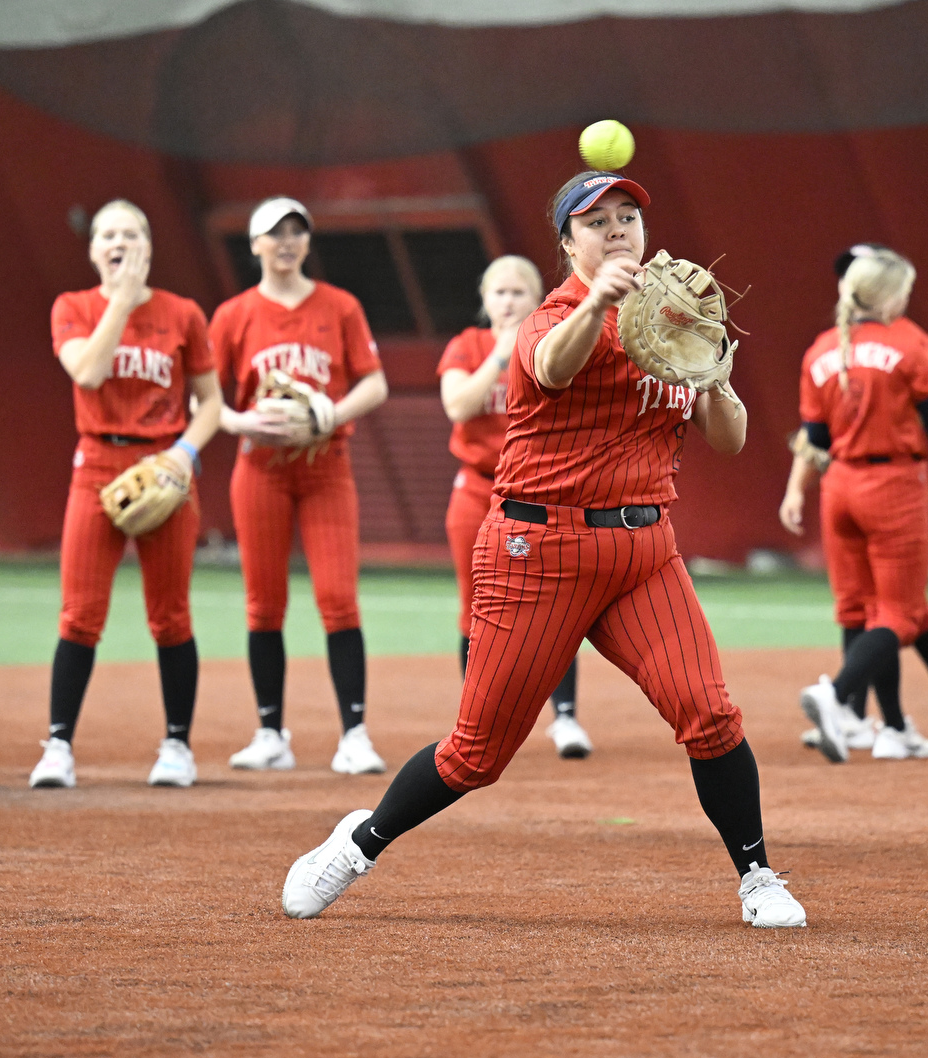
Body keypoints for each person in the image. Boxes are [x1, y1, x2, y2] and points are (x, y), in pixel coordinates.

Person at [280, 171, 807, 929]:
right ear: (568, 244)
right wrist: (598, 299)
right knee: (475, 756)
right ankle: (358, 843)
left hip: (643, 555)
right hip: (539, 550)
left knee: (710, 713)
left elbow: (730, 439)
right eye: (599, 221)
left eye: (630, 217)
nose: (619, 229)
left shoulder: (674, 321)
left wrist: (715, 371)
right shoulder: (553, 315)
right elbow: (554, 366)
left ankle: (758, 877)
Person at [30, 200, 223, 789]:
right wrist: (120, 299)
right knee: (80, 613)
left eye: (132, 233)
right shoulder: (74, 306)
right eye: (108, 235)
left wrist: (182, 454)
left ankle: (177, 746)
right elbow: (87, 373)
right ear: (93, 251)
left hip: (164, 462)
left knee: (170, 616)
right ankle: (58, 745)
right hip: (97, 463)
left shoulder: (183, 313)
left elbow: (210, 402)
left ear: (149, 246)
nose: (120, 242)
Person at [779, 245, 928, 763]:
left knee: (859, 610)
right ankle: (838, 696)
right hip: (891, 486)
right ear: (890, 296)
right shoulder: (909, 341)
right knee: (901, 612)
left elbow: (815, 437)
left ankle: (891, 728)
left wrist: (795, 487)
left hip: (839, 488)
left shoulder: (822, 349)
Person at [210, 197, 390, 776]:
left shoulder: (339, 306)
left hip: (325, 468)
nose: (286, 242)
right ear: (255, 244)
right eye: (274, 233)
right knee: (264, 605)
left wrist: (330, 415)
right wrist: (241, 421)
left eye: (296, 232)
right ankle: (270, 733)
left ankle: (355, 734)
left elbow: (375, 383)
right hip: (260, 469)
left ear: (307, 243)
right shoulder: (234, 314)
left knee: (338, 599)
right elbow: (205, 399)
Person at [439, 255, 592, 759]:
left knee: (558, 605)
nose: (508, 302)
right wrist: (499, 355)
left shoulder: (552, 342)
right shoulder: (468, 344)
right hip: (476, 492)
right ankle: (475, 721)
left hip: (537, 494)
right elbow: (459, 406)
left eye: (518, 293)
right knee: (475, 605)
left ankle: (565, 717)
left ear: (536, 299)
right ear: (485, 300)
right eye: (499, 293)